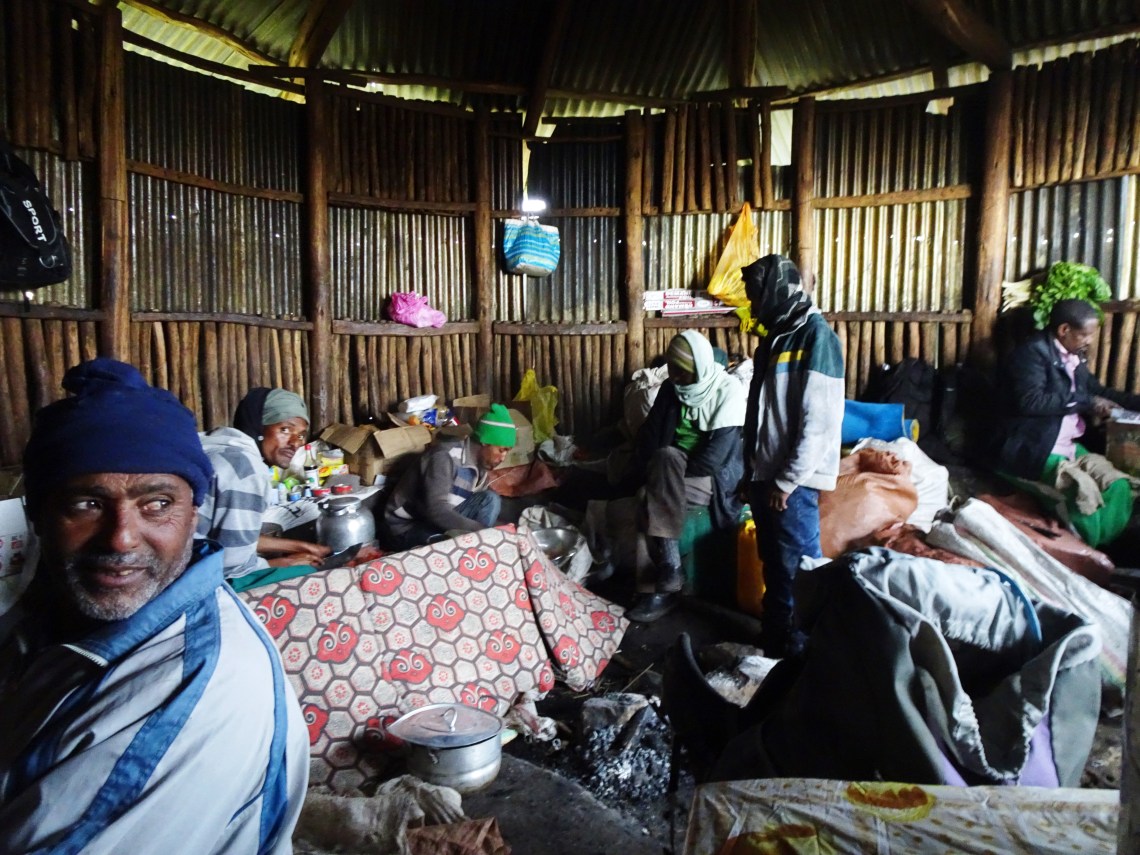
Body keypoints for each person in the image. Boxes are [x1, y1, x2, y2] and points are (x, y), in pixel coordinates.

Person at [0, 358, 308, 852]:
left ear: (194, 514)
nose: (121, 539)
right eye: (87, 504)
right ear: (37, 514)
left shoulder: (197, 693)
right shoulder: (46, 614)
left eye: (158, 503)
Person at [741, 254, 844, 658]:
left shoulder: (816, 338)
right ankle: (775, 640)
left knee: (800, 568)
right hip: (767, 474)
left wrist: (787, 481)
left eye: (755, 295)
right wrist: (752, 471)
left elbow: (819, 423)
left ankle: (803, 652)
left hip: (792, 483)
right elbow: (759, 413)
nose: (752, 304)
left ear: (774, 291)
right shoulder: (775, 338)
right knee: (773, 563)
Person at [996, 298, 1140, 548]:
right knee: (1082, 493)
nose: (1090, 341)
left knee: (1118, 486)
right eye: (1085, 334)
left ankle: (1100, 550)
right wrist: (1085, 401)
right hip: (1031, 447)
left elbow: (1097, 391)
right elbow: (1031, 402)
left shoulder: (1073, 357)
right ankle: (1085, 554)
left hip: (1067, 445)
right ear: (1064, 330)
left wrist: (1135, 403)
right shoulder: (1029, 355)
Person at [625, 331, 746, 622]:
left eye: (683, 372)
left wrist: (668, 473)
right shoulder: (671, 389)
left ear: (700, 367)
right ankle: (662, 581)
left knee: (661, 471)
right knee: (656, 474)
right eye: (673, 370)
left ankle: (663, 585)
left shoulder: (727, 392)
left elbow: (714, 460)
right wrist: (656, 467)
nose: (676, 377)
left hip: (712, 479)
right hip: (669, 470)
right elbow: (650, 434)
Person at [206, 386, 330, 571]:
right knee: (308, 571)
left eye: (301, 435)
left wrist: (301, 546)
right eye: (285, 430)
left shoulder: (221, 448)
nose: (295, 443)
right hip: (196, 579)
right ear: (258, 426)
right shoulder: (245, 468)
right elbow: (232, 565)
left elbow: (232, 540)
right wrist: (285, 563)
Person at [380, 403, 515, 550]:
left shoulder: (481, 467)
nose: (503, 458)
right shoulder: (444, 457)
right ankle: (478, 545)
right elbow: (436, 510)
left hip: (435, 518)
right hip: (406, 527)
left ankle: (480, 547)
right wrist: (482, 530)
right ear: (485, 442)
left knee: (490, 499)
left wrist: (500, 530)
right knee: (448, 547)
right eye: (501, 450)